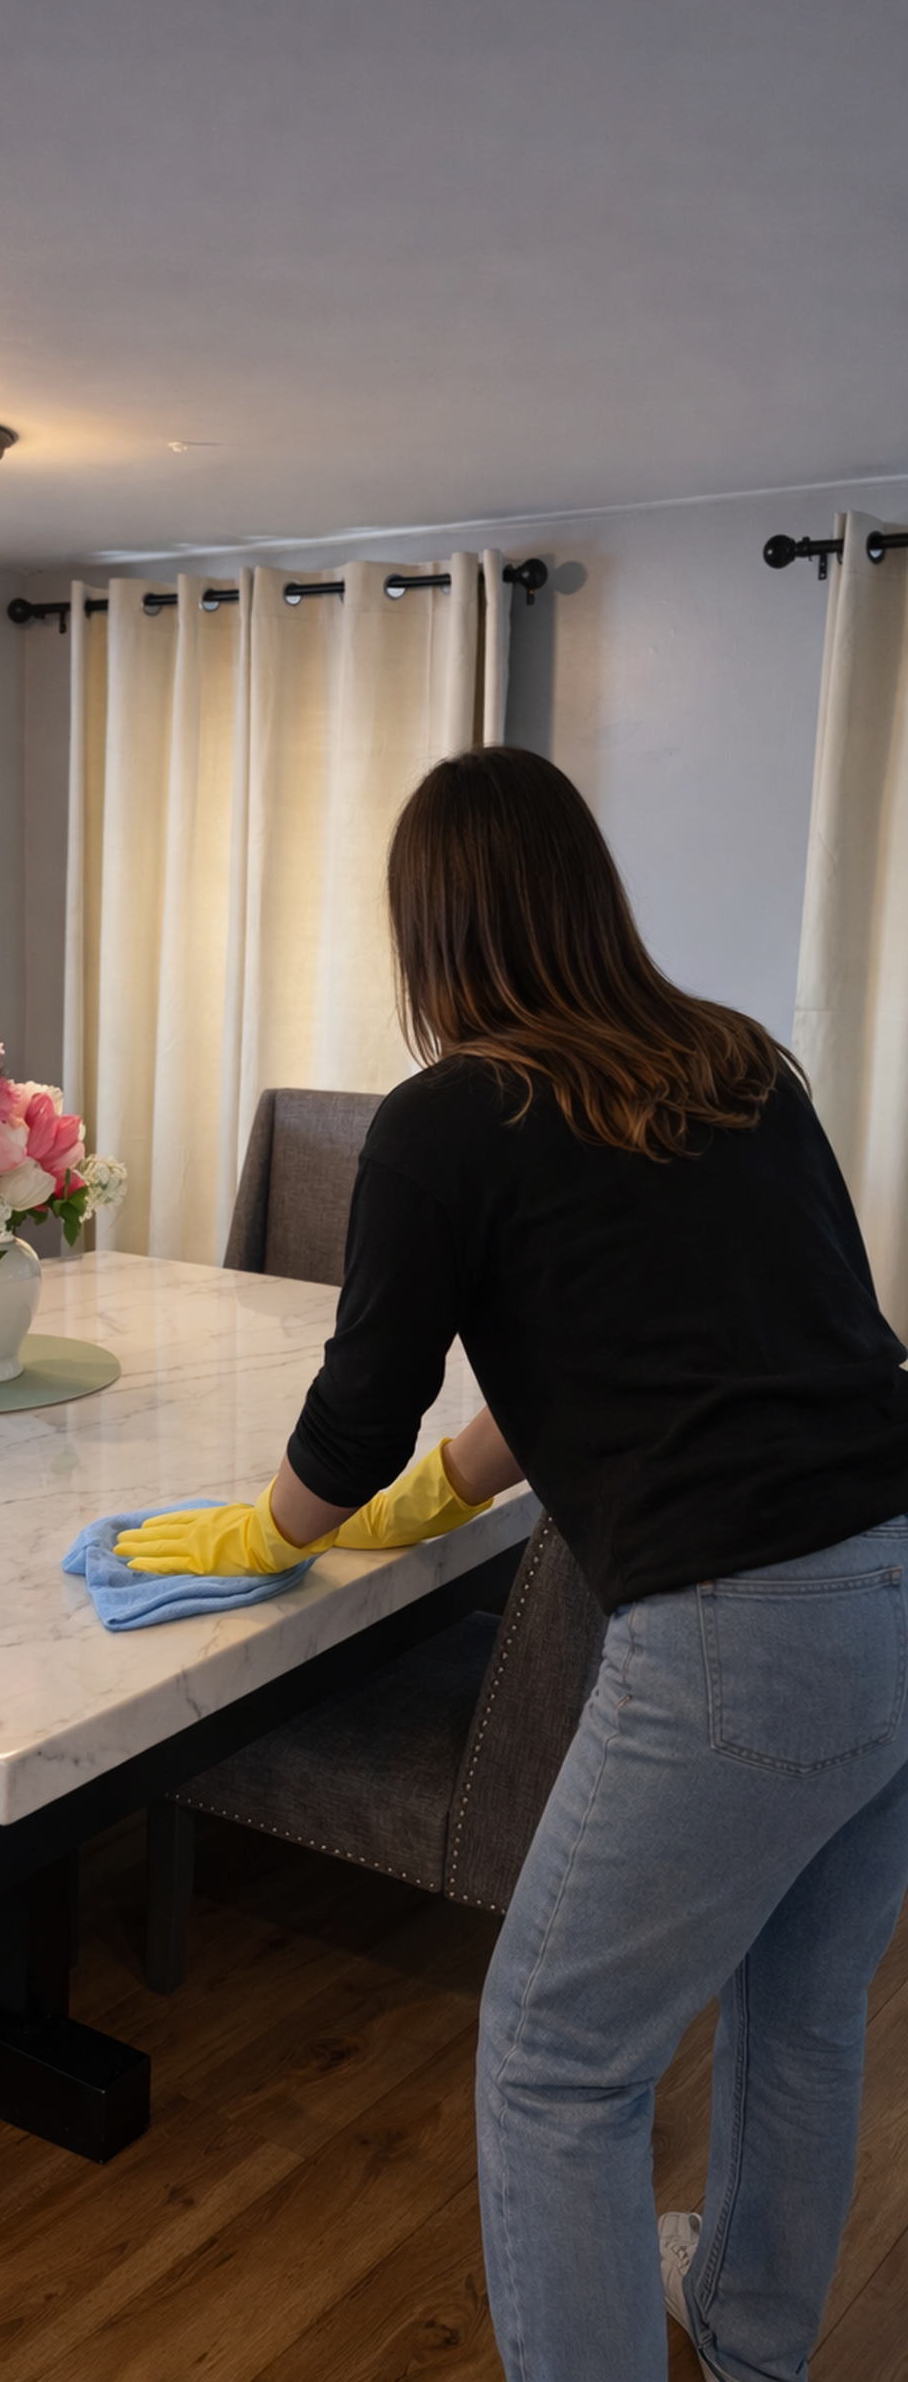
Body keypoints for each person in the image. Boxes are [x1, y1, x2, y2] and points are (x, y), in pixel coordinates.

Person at [117, 746, 908, 2382]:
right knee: (806, 2010)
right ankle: (752, 2341)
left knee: (559, 2061)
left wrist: (270, 1530)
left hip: (741, 1627)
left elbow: (349, 1424)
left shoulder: (445, 1119)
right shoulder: (739, 1063)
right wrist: (445, 1491)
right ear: (586, 896)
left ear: (431, 932)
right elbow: (681, 1352)